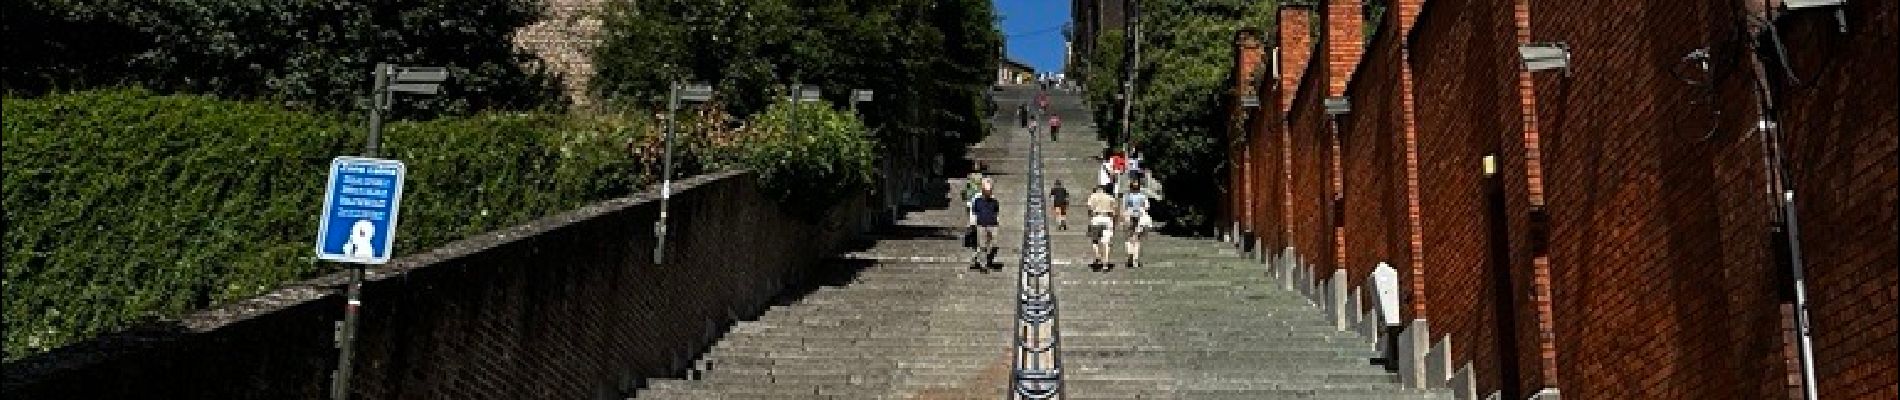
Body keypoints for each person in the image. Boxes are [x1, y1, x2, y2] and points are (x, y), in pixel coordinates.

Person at [971, 178, 1002, 267]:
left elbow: (996, 212)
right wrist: (973, 222)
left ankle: (987, 259)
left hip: (993, 224)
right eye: (987, 191)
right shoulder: (978, 201)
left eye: (990, 191)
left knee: (994, 245)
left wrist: (997, 221)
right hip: (981, 225)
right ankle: (983, 264)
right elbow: (974, 212)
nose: (989, 193)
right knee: (982, 245)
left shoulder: (994, 202)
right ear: (983, 191)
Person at [1122, 180, 1153, 268]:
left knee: (1129, 238)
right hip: (1140, 217)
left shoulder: (1126, 196)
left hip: (1129, 216)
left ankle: (1130, 254)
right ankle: (1135, 260)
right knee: (1137, 240)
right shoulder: (1143, 196)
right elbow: (1147, 207)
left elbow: (1124, 207)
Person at [1086, 184, 1118, 267]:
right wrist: (1114, 222)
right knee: (1106, 242)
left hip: (1096, 218)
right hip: (1107, 218)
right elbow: (1114, 211)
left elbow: (1089, 209)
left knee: (1095, 240)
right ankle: (1105, 262)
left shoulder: (1092, 197)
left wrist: (1091, 216)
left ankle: (1097, 255)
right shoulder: (1110, 197)